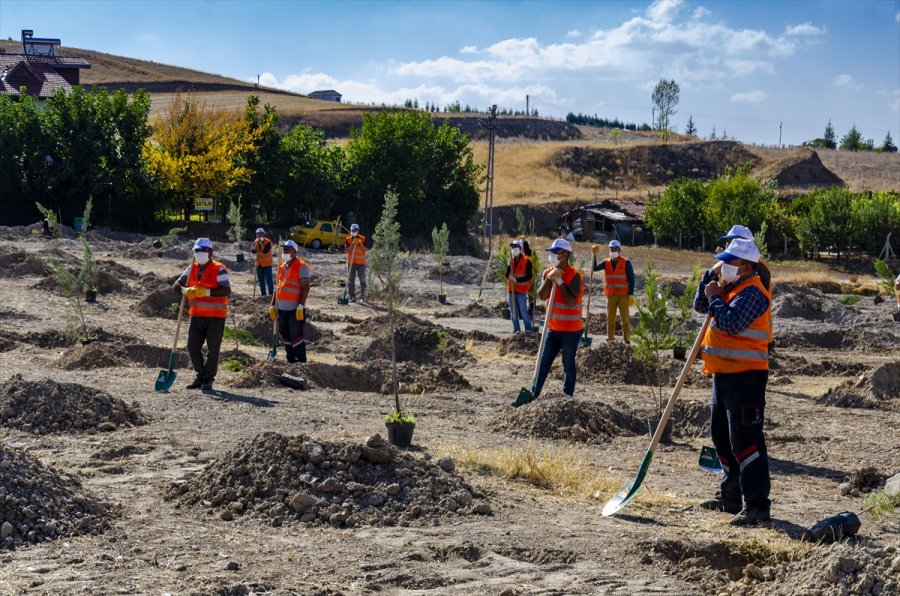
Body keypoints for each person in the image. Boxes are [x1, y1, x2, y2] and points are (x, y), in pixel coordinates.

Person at [693, 237, 772, 527]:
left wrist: (716, 296)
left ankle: (756, 507)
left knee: (746, 442)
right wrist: (710, 278)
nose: (724, 265)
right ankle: (730, 496)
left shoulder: (753, 292)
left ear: (746, 266)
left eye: (729, 261)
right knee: (722, 438)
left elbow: (731, 323)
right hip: (723, 374)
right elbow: (700, 305)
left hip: (746, 377)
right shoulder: (730, 287)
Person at [513, 239, 583, 406]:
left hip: (571, 331)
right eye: (551, 251)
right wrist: (549, 279)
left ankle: (567, 399)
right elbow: (542, 295)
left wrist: (560, 282)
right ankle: (533, 394)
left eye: (555, 252)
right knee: (542, 363)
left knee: (568, 365)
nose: (552, 255)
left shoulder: (575, 276)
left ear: (565, 254)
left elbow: (570, 301)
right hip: (552, 329)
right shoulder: (548, 272)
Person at [173, 238, 232, 391]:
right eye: (197, 250)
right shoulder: (191, 268)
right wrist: (184, 290)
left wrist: (206, 292)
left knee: (213, 349)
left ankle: (208, 379)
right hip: (197, 315)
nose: (200, 253)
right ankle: (201, 375)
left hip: (216, 316)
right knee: (192, 346)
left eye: (203, 250)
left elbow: (226, 290)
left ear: (210, 252)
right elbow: (176, 285)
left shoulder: (219, 268)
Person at [269, 239, 311, 363]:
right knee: (285, 335)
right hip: (282, 308)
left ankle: (301, 360)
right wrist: (272, 305)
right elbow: (277, 288)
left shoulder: (301, 266)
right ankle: (290, 359)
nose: (285, 251)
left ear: (294, 252)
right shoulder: (282, 267)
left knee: (296, 335)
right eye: (284, 249)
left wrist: (300, 306)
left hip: (295, 309)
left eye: (287, 249)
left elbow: (305, 288)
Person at [592, 239, 635, 343]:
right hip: (611, 295)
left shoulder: (626, 262)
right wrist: (594, 255)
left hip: (623, 295)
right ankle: (610, 338)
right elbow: (594, 268)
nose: (613, 251)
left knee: (625, 319)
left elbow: (631, 279)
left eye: (615, 249)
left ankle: (627, 339)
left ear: (619, 250)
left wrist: (631, 294)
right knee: (610, 318)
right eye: (611, 249)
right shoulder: (606, 262)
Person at [505, 239, 534, 333]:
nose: (513, 249)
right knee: (513, 313)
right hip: (511, 290)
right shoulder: (511, 261)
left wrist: (517, 280)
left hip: (521, 291)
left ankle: (528, 331)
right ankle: (517, 331)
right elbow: (507, 276)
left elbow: (529, 276)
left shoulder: (527, 261)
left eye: (515, 247)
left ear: (520, 248)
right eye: (512, 247)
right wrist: (508, 266)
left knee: (523, 312)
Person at [343, 224, 368, 303]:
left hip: (361, 264)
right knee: (351, 281)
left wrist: (360, 243)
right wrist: (353, 244)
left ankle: (363, 297)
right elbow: (346, 250)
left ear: (358, 230)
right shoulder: (348, 239)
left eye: (355, 230)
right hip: (351, 263)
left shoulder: (363, 239)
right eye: (352, 230)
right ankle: (352, 297)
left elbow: (365, 249)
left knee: (362, 281)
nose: (353, 232)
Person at [251, 227, 274, 296]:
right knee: (261, 280)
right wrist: (256, 244)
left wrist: (260, 243)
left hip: (267, 264)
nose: (259, 235)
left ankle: (271, 294)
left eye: (260, 234)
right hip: (259, 264)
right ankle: (263, 294)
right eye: (257, 234)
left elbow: (265, 251)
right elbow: (253, 251)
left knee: (269, 280)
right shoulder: (256, 241)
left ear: (263, 234)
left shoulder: (268, 242)